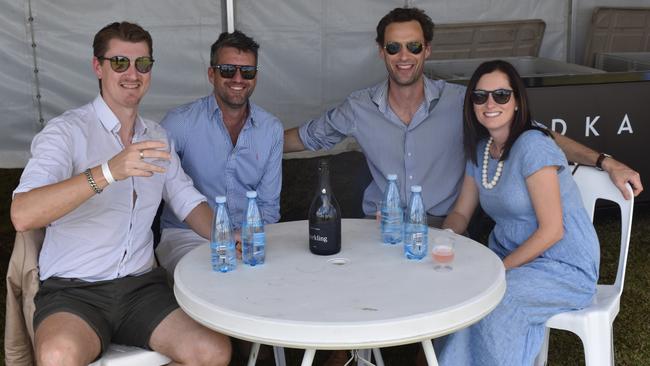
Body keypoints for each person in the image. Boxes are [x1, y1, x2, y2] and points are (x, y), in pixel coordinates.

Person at [283, 7, 643, 230]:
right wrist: (238, 141)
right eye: (394, 47)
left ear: (428, 50)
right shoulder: (358, 107)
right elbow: (305, 137)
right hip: (380, 224)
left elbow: (533, 133)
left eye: (414, 46)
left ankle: (428, 355)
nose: (403, 56)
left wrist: (605, 161)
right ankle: (353, 354)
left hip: (444, 226)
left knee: (437, 318)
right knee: (347, 292)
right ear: (381, 52)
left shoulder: (461, 101)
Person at [10, 22, 231, 366]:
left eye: (142, 64)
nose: (132, 73)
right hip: (74, 291)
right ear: (98, 67)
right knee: (57, 356)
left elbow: (188, 201)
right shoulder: (66, 132)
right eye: (119, 63)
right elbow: (23, 214)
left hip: (141, 288)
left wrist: (229, 238)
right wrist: (109, 171)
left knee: (213, 351)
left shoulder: (156, 136)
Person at [436, 59, 599, 365]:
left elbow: (553, 230)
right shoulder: (482, 149)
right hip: (512, 260)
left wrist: (499, 269)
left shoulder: (533, 146)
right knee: (465, 295)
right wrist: (444, 237)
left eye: (501, 95)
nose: (490, 103)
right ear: (471, 104)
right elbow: (461, 212)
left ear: (517, 101)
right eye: (480, 96)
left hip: (562, 266)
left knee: (498, 298)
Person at [156, 30, 283, 276]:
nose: (238, 78)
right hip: (187, 235)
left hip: (249, 234)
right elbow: (157, 186)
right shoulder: (178, 123)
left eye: (247, 72)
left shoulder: (271, 129)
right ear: (211, 73)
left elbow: (268, 207)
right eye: (227, 70)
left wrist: (246, 240)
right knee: (214, 278)